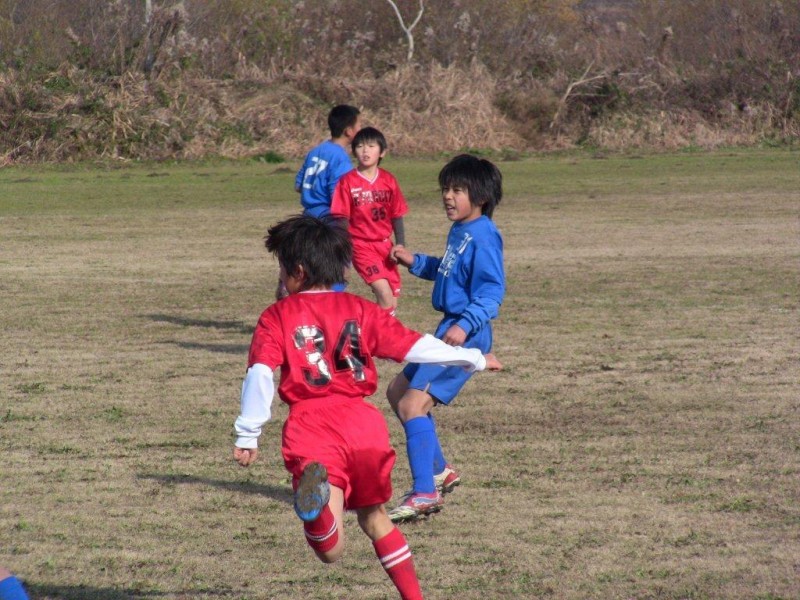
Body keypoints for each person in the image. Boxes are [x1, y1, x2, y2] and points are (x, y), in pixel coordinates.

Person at [232, 215, 501, 600]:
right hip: (364, 426)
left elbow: (260, 373)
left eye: (281, 268)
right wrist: (473, 358)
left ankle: (319, 515)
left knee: (331, 550)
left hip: (312, 426)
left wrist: (248, 433)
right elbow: (414, 345)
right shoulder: (360, 309)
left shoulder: (276, 316)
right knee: (375, 519)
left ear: (298, 272)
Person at [386, 154, 505, 523]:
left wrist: (465, 324)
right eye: (445, 189)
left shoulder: (484, 236)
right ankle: (440, 471)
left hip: (464, 335)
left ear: (480, 197)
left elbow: (491, 291)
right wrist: (416, 262)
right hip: (448, 329)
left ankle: (425, 492)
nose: (447, 196)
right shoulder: (461, 230)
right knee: (397, 392)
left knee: (411, 405)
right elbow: (449, 271)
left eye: (457, 190)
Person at [276, 104, 362, 299]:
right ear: (349, 131)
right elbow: (339, 195)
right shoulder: (340, 157)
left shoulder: (316, 151)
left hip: (308, 216)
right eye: (359, 125)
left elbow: (298, 185)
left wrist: (315, 192)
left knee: (308, 261)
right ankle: (330, 302)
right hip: (330, 219)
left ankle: (290, 290)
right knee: (335, 264)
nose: (360, 129)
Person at [331, 127, 408, 315]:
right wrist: (344, 244)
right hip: (361, 246)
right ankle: (379, 331)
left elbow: (397, 214)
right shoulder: (347, 181)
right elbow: (341, 216)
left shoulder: (389, 180)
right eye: (360, 146)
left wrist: (400, 244)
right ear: (354, 151)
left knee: (391, 301)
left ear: (382, 152)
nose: (365, 150)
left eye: (371, 146)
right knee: (384, 294)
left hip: (385, 247)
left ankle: (370, 328)